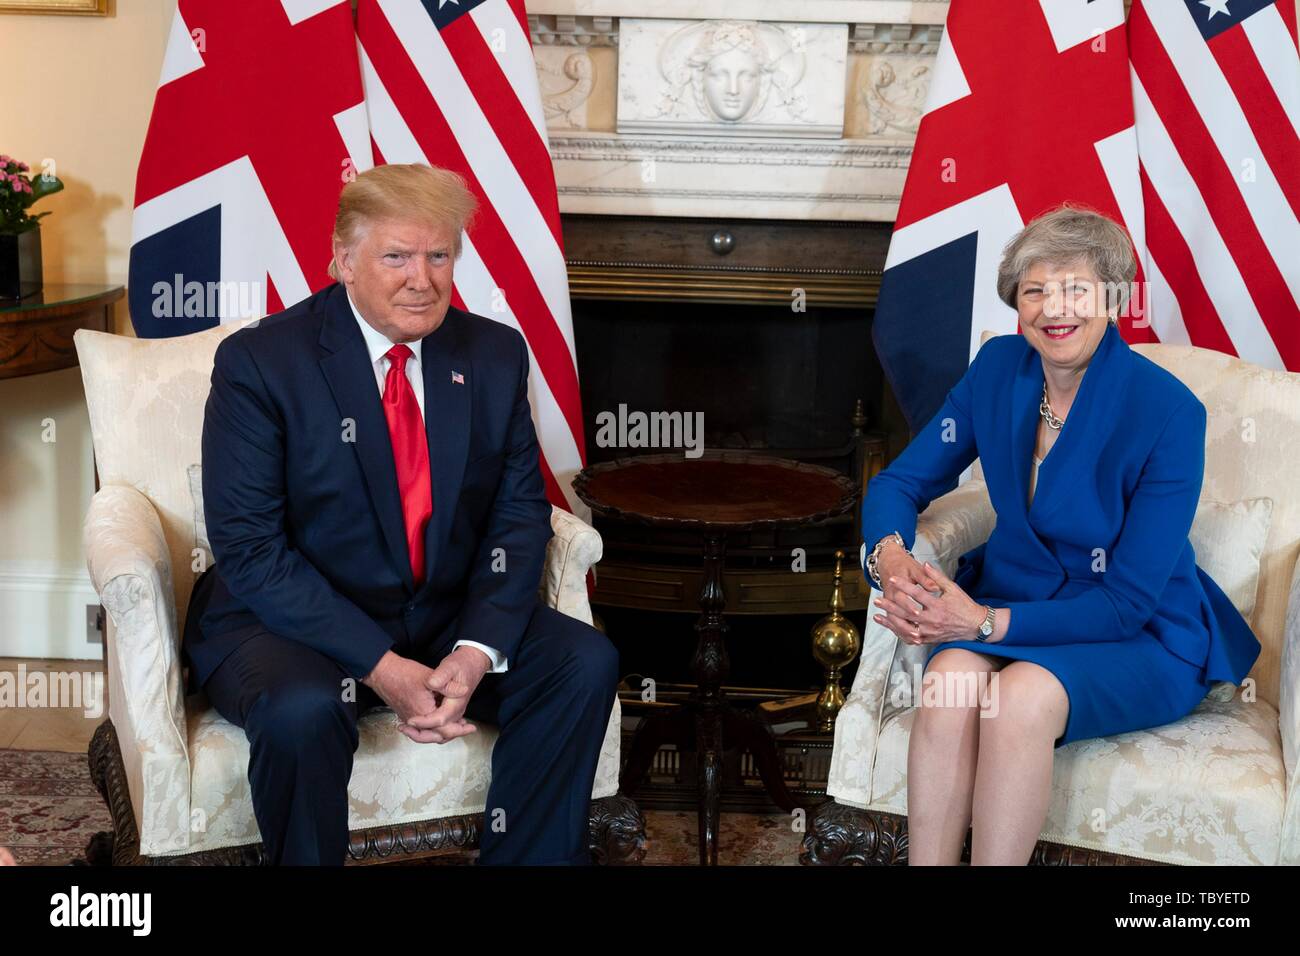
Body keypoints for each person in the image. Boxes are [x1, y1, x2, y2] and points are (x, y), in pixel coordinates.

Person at [182, 163, 618, 865]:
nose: (423, 278)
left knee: (583, 661)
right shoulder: (261, 363)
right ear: (343, 260)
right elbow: (252, 549)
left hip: (443, 616)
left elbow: (516, 517)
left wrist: (476, 652)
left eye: (439, 255)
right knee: (302, 711)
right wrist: (382, 667)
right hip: (293, 625)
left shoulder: (493, 354)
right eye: (397, 256)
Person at [860, 205, 1260, 866]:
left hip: (1136, 634)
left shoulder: (1167, 413)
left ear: (1114, 299)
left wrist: (982, 623)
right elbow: (898, 484)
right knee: (948, 680)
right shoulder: (998, 369)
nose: (1054, 308)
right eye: (1035, 289)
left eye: (1075, 288)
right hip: (1012, 604)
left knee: (1018, 698)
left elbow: (1127, 603)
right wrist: (894, 560)